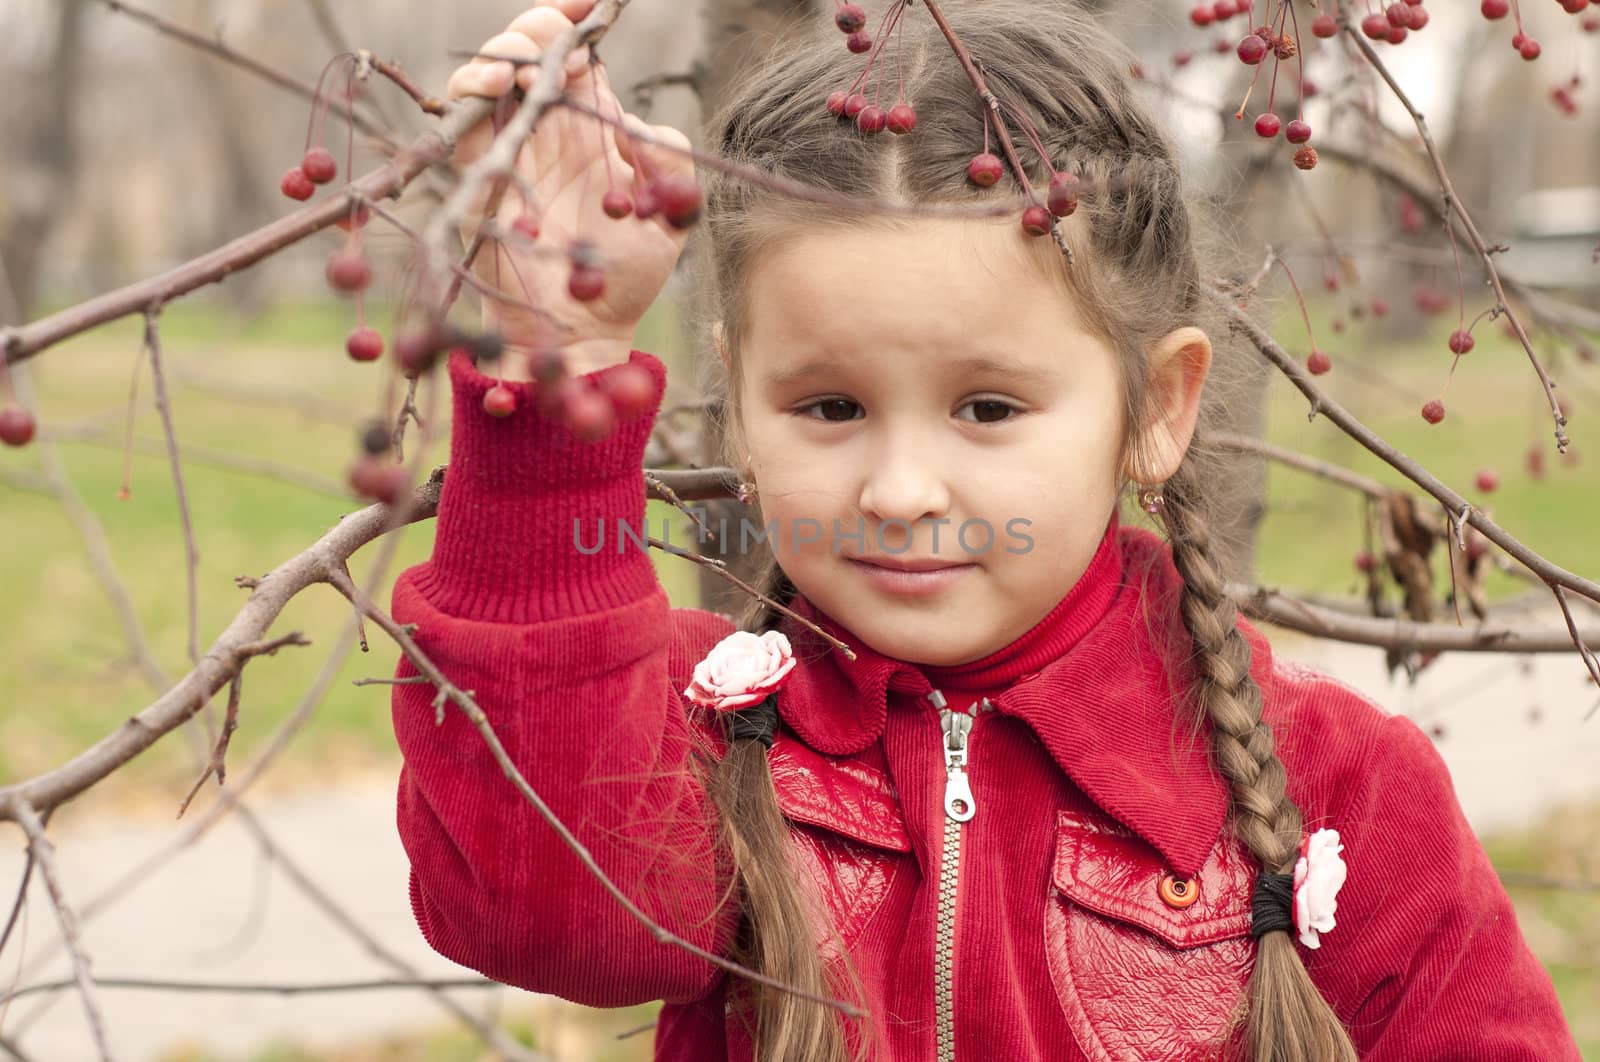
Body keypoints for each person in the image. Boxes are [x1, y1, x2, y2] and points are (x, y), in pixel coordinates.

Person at [387, 1, 1581, 1059]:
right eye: (829, 407)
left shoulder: (1339, 786)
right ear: (740, 402)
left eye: (988, 408)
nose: (901, 490)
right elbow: (542, 906)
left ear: (1154, 410)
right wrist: (555, 365)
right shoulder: (706, 742)